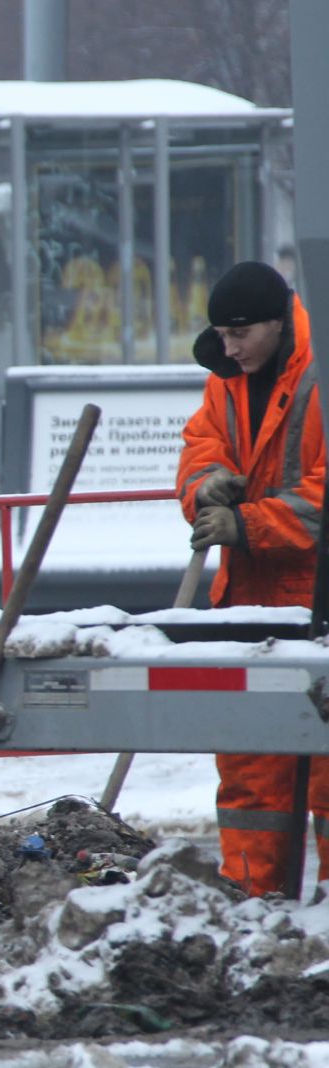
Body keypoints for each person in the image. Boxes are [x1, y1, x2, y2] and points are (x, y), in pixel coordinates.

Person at [177, 259, 329, 896]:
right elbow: (200, 444)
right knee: (250, 771)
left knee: (324, 771)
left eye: (240, 333)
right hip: (247, 603)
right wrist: (203, 485)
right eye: (221, 333)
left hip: (316, 602)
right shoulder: (227, 378)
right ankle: (254, 907)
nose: (229, 346)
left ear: (276, 322)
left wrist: (251, 525)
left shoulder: (320, 376)